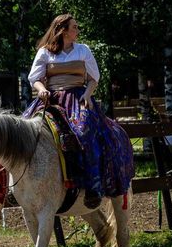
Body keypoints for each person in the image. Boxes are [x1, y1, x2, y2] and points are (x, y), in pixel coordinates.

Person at [24, 14, 134, 208]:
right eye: (74, 27)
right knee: (25, 130)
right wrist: (41, 90)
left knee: (84, 130)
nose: (78, 30)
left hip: (78, 98)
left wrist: (87, 94)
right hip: (52, 98)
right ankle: (22, 184)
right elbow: (35, 78)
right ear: (63, 30)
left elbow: (94, 78)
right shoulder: (45, 53)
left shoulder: (83, 50)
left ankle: (92, 186)